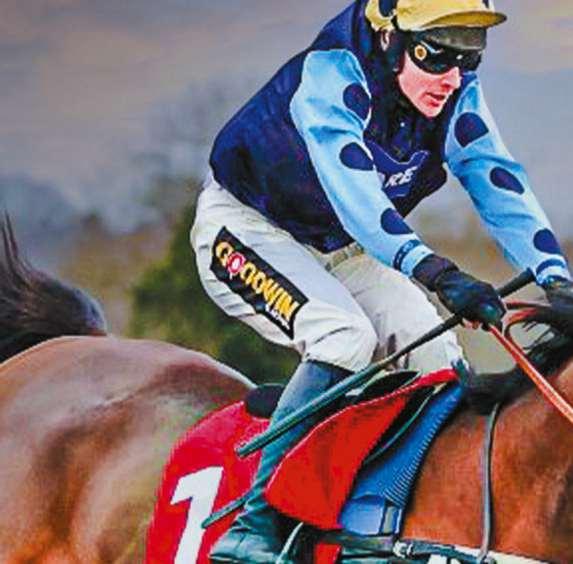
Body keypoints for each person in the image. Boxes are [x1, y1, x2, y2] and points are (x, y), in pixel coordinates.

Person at [190, 0, 573, 561]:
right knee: (343, 336)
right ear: (390, 37)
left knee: (439, 357)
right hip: (247, 229)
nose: (453, 77)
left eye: (469, 56)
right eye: (435, 54)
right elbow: (361, 203)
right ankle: (256, 523)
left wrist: (556, 278)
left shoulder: (454, 91)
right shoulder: (332, 74)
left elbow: (496, 178)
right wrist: (439, 273)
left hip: (340, 247)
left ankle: (389, 521)